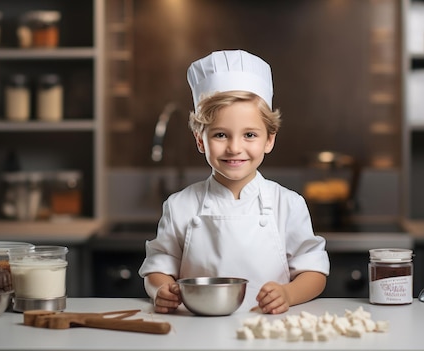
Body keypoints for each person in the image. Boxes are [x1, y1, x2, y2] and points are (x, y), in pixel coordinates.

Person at [138, 49, 330, 315]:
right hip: (197, 332)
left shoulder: (288, 204)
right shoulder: (180, 206)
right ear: (199, 140)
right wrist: (161, 290)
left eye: (249, 134)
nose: (234, 148)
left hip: (268, 334)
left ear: (269, 139)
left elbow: (314, 272)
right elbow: (157, 268)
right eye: (220, 135)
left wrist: (288, 293)